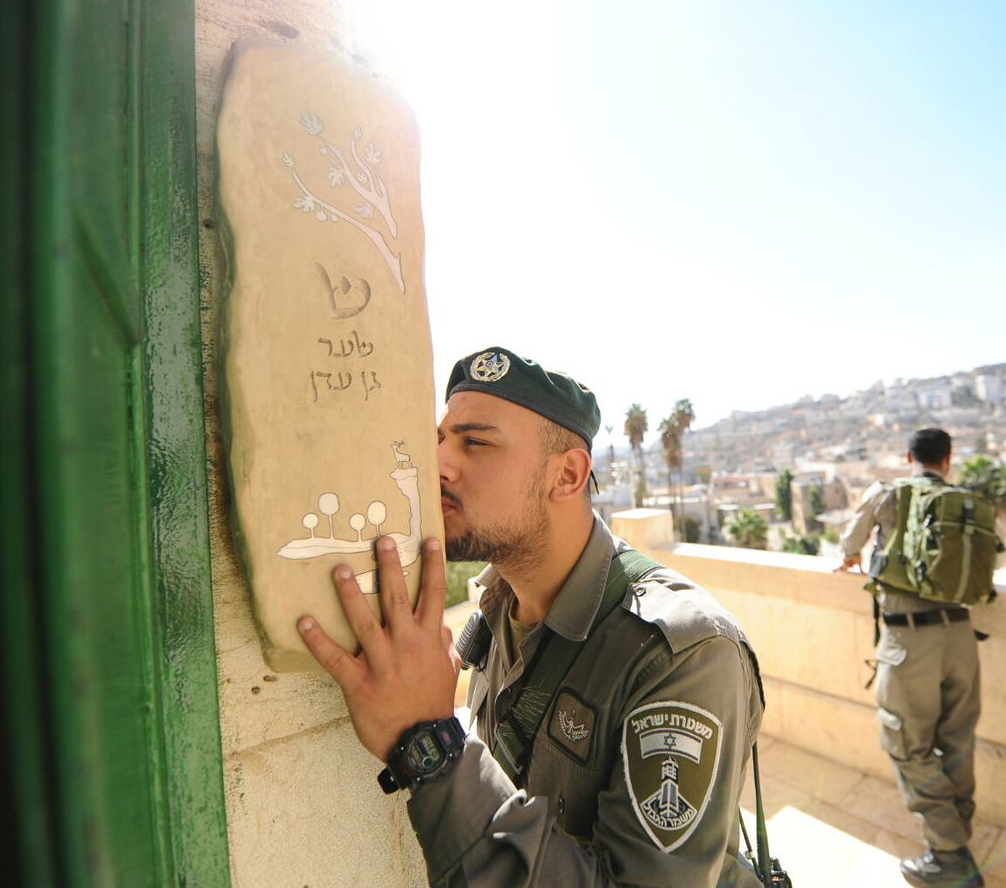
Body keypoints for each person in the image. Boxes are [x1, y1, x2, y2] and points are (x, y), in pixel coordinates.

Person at [298, 346, 765, 887]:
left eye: (476, 443)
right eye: (441, 440)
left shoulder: (683, 652)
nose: (439, 464)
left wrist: (428, 745)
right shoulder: (498, 606)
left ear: (567, 475)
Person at [834, 428, 985, 888]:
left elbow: (849, 545)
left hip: (909, 643)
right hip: (962, 635)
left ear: (909, 457)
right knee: (957, 741)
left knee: (908, 745)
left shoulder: (888, 494)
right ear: (948, 459)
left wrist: (853, 557)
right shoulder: (964, 500)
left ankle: (949, 854)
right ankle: (958, 832)